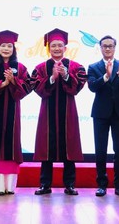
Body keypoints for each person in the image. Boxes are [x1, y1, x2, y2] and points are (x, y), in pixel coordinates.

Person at [30, 28, 87, 196]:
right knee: (47, 149)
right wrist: (52, 78)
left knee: (68, 148)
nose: (56, 48)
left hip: (68, 113)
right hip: (47, 114)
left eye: (59, 45)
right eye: (53, 45)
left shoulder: (76, 67)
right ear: (49, 48)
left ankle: (69, 184)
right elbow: (37, 88)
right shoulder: (40, 68)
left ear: (65, 48)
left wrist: (67, 75)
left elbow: (77, 88)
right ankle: (44, 184)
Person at [0, 30, 33, 195]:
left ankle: (10, 186)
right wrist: (2, 84)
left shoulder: (20, 67)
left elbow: (28, 86)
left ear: (13, 48)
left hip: (13, 113)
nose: (6, 49)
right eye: (3, 45)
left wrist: (14, 81)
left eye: (9, 46)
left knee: (11, 144)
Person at [87, 35, 119, 197]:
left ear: (115, 47)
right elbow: (92, 87)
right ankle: (102, 185)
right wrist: (105, 76)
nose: (107, 49)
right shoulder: (93, 67)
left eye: (110, 46)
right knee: (101, 150)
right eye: (105, 46)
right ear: (100, 47)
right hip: (100, 113)